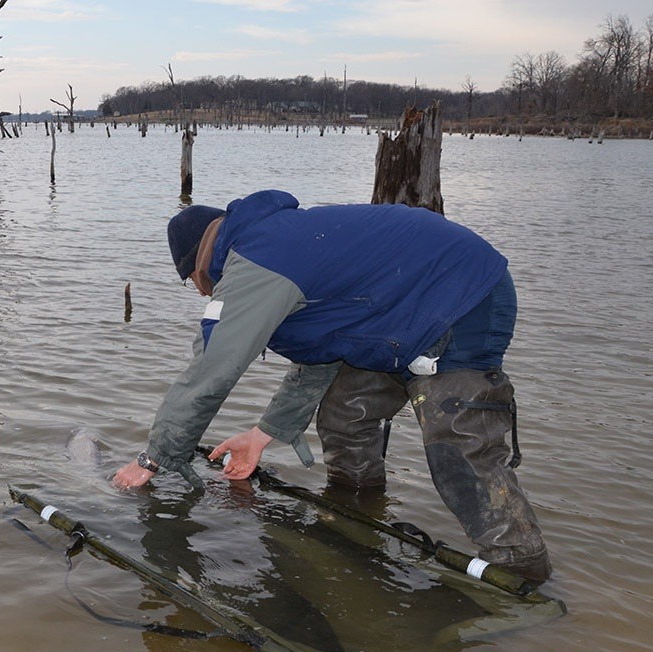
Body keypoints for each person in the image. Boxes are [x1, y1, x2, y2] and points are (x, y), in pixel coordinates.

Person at [113, 191, 551, 584]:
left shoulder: (256, 261)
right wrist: (262, 434)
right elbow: (321, 357)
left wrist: (156, 456)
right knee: (345, 414)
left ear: (198, 266)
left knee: (455, 445)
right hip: (398, 315)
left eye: (194, 283)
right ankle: (356, 515)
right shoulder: (274, 245)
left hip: (463, 297)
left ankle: (521, 569)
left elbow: (211, 368)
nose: (200, 291)